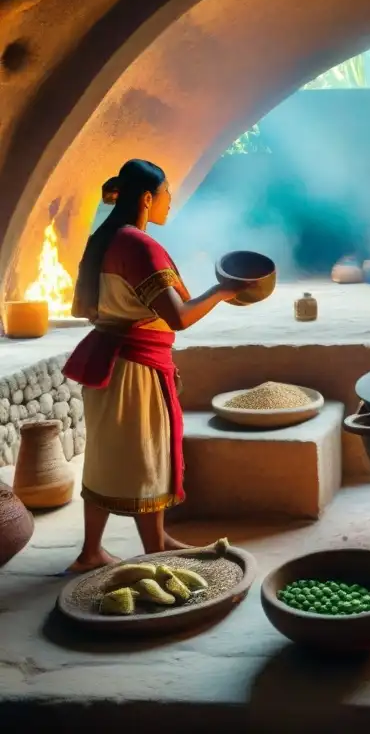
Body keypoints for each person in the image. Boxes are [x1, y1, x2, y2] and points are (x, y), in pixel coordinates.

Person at [63, 159, 247, 572]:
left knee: (105, 456)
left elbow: (94, 310)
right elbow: (179, 316)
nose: (169, 203)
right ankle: (154, 547)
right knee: (148, 458)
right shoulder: (138, 245)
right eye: (166, 195)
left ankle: (94, 551)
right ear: (148, 198)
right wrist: (221, 291)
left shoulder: (104, 238)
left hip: (110, 362)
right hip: (133, 369)